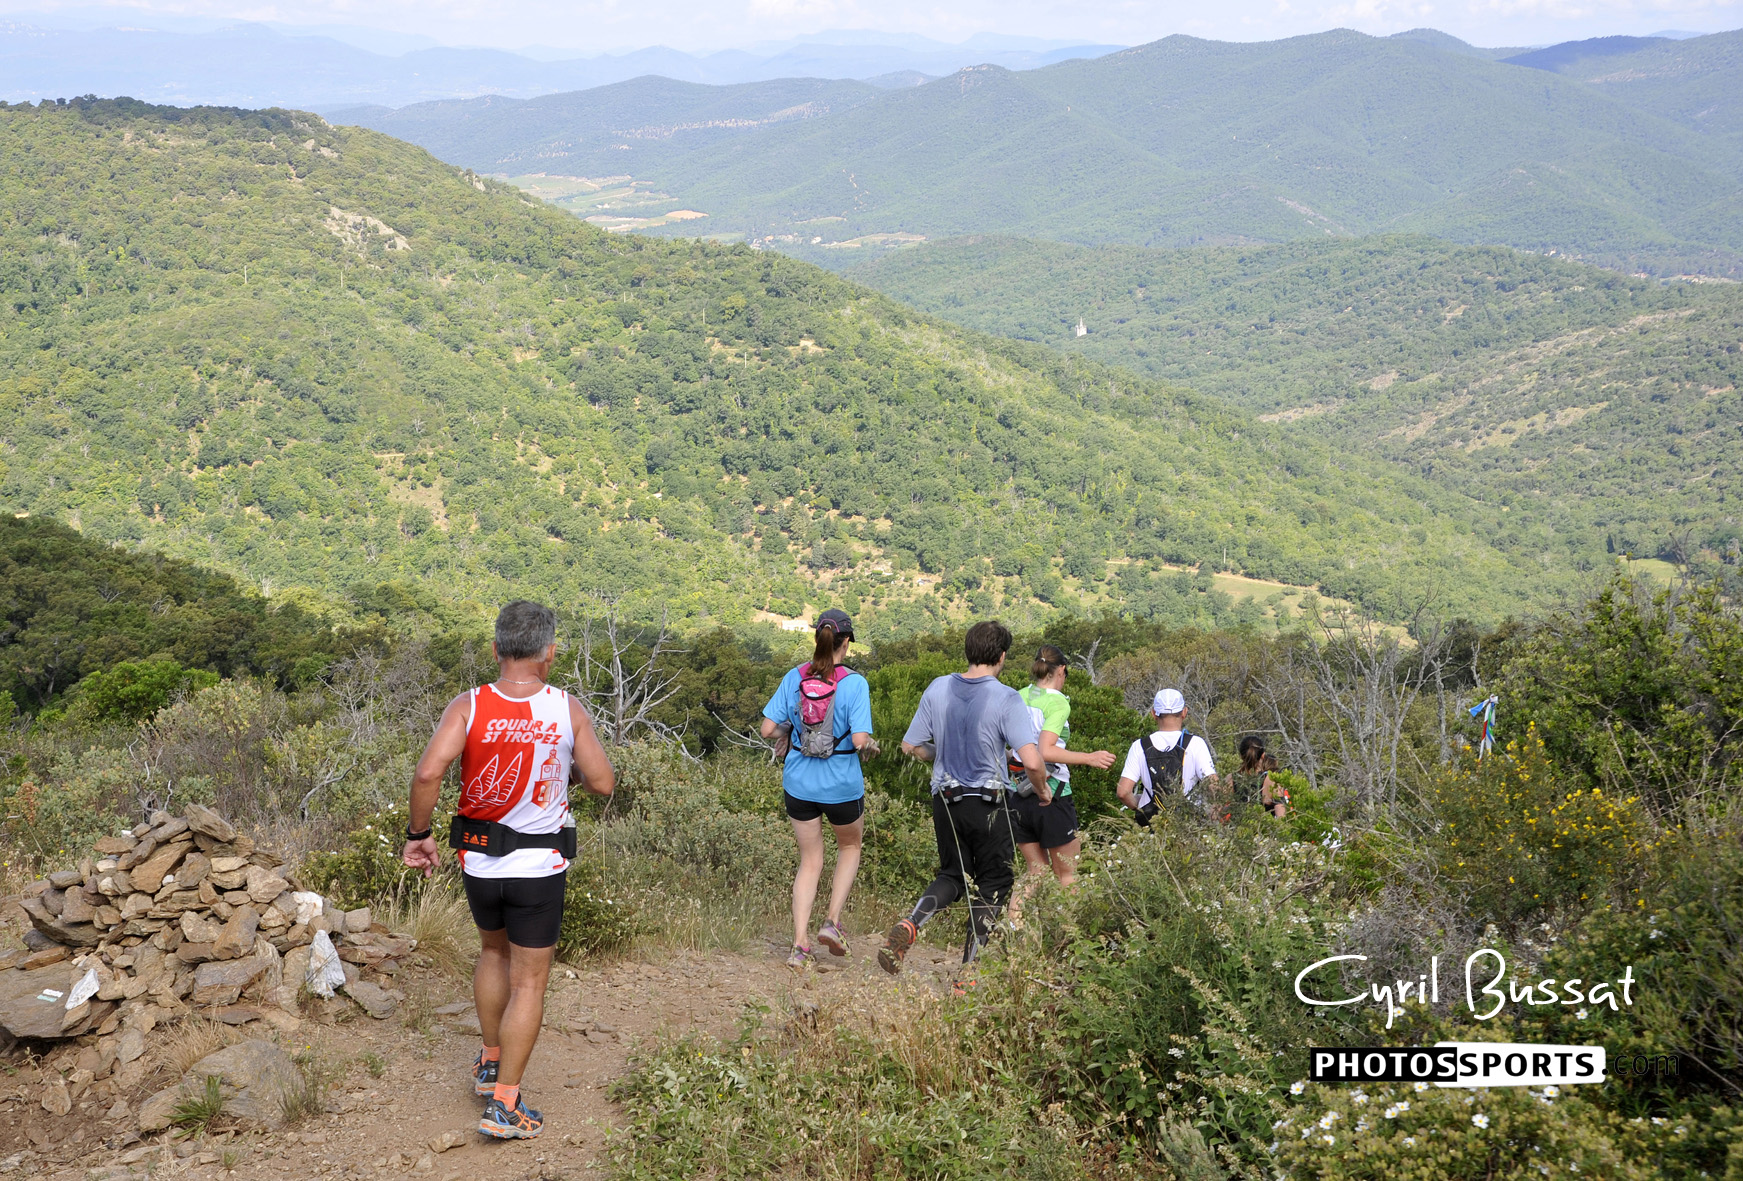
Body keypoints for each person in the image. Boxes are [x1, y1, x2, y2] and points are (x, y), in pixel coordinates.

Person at [402, 601, 615, 1141]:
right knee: (530, 983)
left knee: (492, 953)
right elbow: (602, 783)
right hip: (538, 868)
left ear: (496, 650)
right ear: (549, 653)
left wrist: (418, 835)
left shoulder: (469, 705)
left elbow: (429, 772)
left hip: (478, 860)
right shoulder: (566, 709)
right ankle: (505, 1104)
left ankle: (490, 1061)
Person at [880, 620, 1049, 978]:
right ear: (1001, 657)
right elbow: (1032, 761)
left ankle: (912, 923)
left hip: (946, 800)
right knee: (994, 885)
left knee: (952, 876)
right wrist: (1043, 790)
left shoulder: (938, 688)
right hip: (990, 803)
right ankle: (968, 975)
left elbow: (911, 746)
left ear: (968, 652)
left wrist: (940, 753)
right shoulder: (1006, 697)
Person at [759, 608, 878, 969]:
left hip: (799, 783)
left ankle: (799, 945)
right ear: (846, 643)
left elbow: (767, 729)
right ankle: (832, 922)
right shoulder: (855, 683)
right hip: (841, 784)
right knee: (850, 846)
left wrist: (790, 733)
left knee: (810, 861)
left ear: (818, 639)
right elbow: (859, 739)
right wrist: (873, 745)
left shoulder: (794, 677)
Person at [1007, 646, 1115, 923]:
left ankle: (1013, 930)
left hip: (1018, 793)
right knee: (1067, 873)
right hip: (1052, 793)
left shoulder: (1018, 695)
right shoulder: (1058, 702)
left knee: (1035, 871)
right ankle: (1074, 935)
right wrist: (1089, 757)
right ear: (1062, 671)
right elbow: (1045, 750)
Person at [1115, 688, 1216, 825]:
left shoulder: (1139, 746)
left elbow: (1123, 792)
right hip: (1188, 824)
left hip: (1151, 825)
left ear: (1154, 714)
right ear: (1184, 712)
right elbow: (1213, 784)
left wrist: (1139, 805)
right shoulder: (1196, 743)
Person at [1225, 735, 1287, 823]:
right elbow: (1281, 814)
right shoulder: (1272, 779)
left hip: (1237, 832)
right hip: (1264, 833)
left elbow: (1217, 811)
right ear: (1263, 755)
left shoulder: (1230, 779)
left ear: (1241, 756)